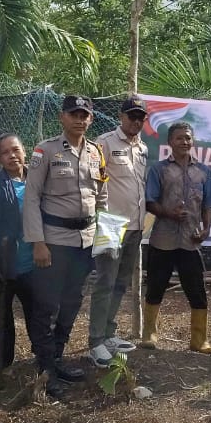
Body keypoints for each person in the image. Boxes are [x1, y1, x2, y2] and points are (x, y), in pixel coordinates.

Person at [23, 95, 109, 387]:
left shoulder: (97, 152)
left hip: (85, 242)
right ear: (62, 117)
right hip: (54, 241)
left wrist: (105, 240)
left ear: (91, 119)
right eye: (74, 113)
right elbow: (32, 197)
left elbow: (103, 199)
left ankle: (57, 358)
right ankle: (45, 368)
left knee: (72, 302)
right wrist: (37, 242)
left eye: (84, 114)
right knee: (47, 306)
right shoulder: (45, 151)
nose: (79, 119)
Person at [143, 122, 211, 353]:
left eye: (188, 138)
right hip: (163, 239)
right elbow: (150, 202)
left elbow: (209, 204)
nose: (184, 142)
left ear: (192, 141)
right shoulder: (159, 170)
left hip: (190, 241)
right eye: (179, 138)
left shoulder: (204, 172)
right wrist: (169, 213)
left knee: (197, 290)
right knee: (156, 287)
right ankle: (149, 335)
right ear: (170, 142)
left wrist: (206, 229)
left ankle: (199, 341)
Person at [88, 98, 149, 367]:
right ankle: (95, 341)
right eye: (132, 116)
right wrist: (99, 218)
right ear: (121, 116)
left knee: (121, 282)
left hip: (136, 225)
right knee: (105, 282)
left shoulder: (143, 148)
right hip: (110, 223)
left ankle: (109, 333)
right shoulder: (105, 143)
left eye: (141, 117)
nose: (136, 121)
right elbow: (94, 182)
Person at [0, 135, 38, 384]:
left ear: (25, 151)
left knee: (38, 313)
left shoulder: (37, 180)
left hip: (34, 263)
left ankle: (43, 356)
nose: (12, 156)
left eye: (16, 150)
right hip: (5, 264)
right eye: (5, 153)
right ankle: (1, 364)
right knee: (0, 318)